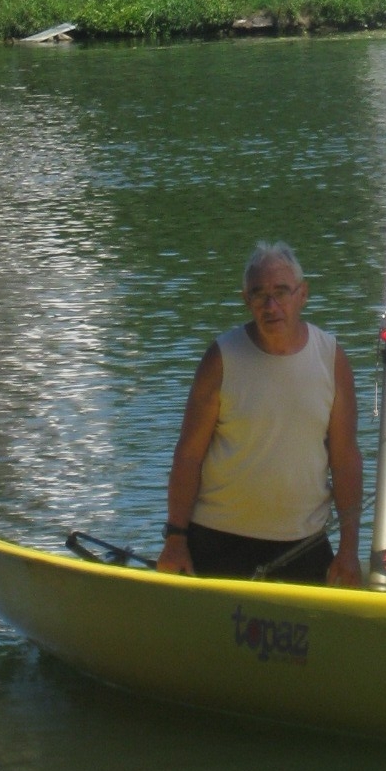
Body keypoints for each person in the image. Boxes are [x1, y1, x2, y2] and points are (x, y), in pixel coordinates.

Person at [155, 241, 363, 587]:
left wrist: (349, 550)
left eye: (281, 292)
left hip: (304, 544)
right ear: (245, 300)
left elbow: (345, 460)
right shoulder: (221, 358)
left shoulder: (331, 358)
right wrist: (175, 538)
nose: (271, 306)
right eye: (258, 294)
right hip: (218, 539)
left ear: (303, 294)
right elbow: (188, 455)